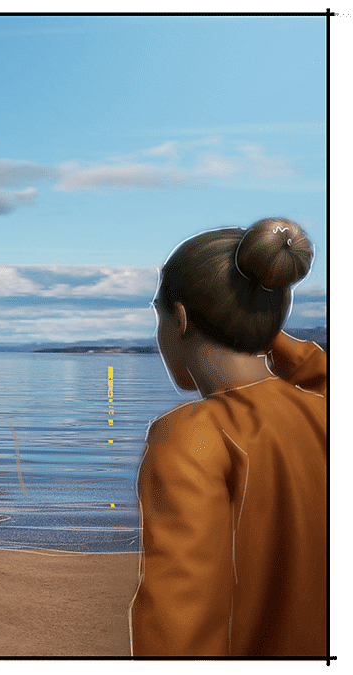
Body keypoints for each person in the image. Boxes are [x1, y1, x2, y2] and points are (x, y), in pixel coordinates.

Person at [129, 217, 327, 657]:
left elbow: (181, 615)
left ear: (179, 319)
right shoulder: (324, 410)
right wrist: (255, 323)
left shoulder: (192, 437)